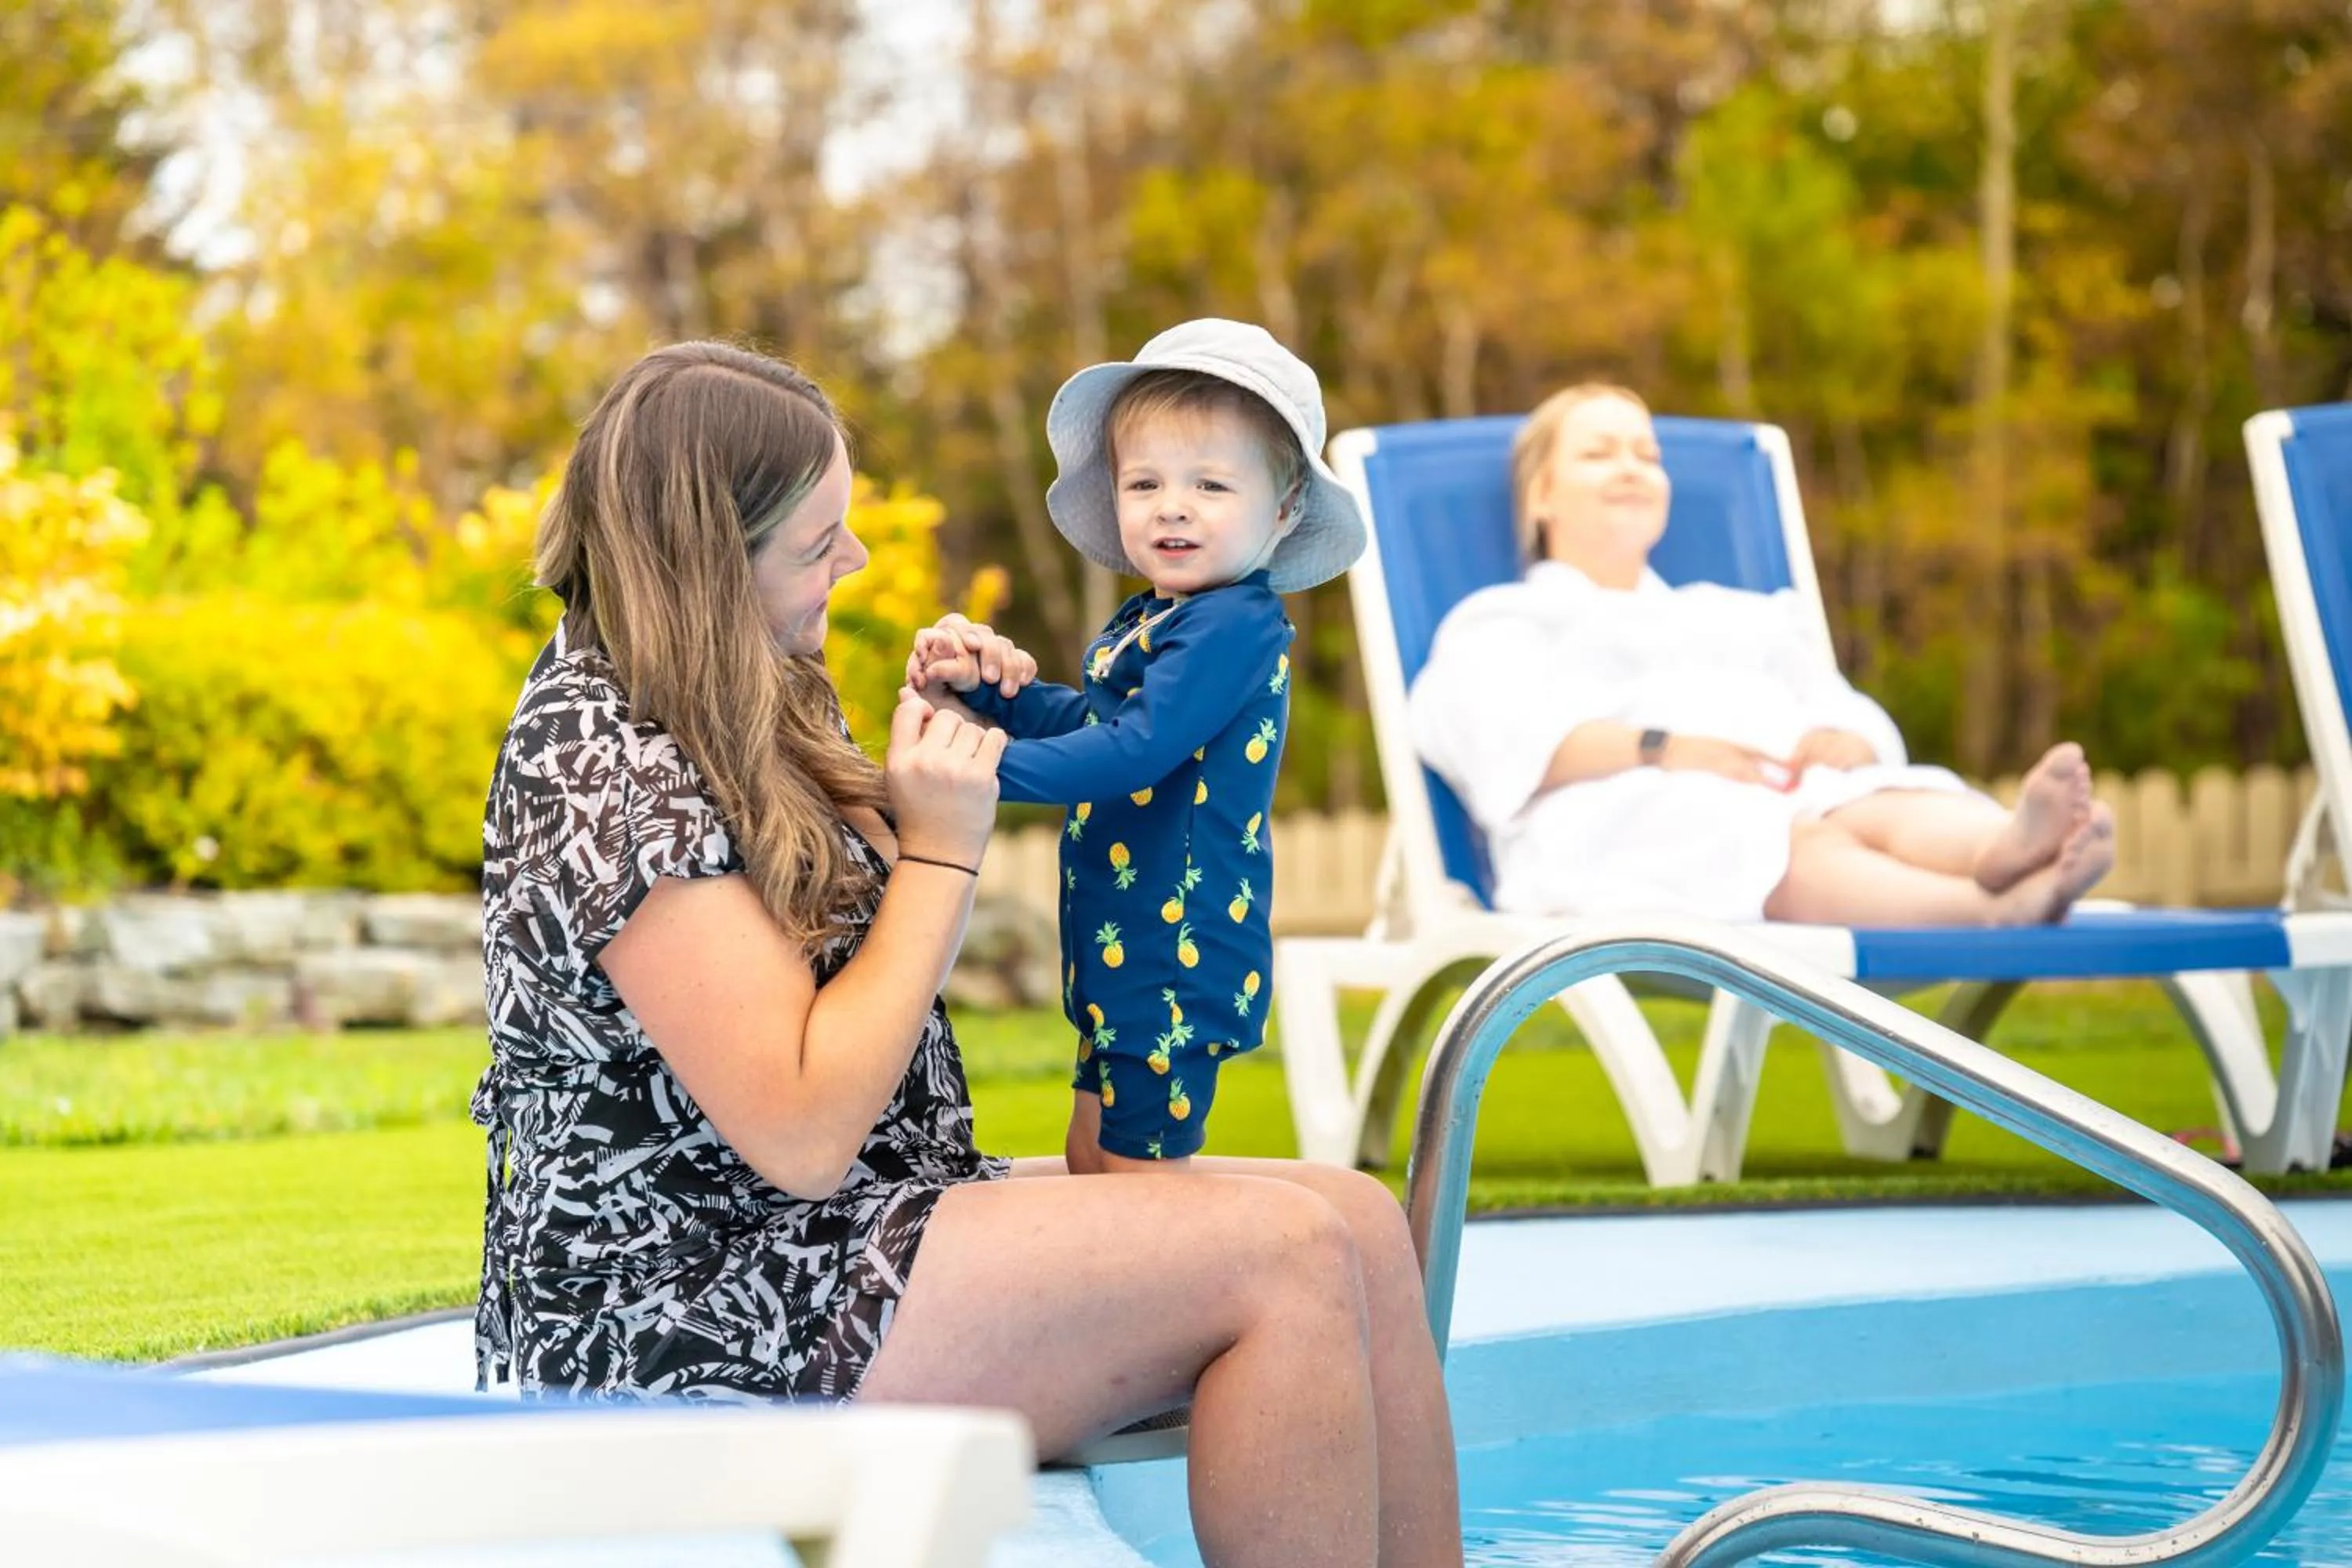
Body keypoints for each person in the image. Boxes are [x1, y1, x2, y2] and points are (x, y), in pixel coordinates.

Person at [471, 339, 1461, 1568]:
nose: (856, 558)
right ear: (709, 563)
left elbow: (872, 842)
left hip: (860, 1226)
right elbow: (797, 1131)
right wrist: (943, 851)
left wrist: (964, 708)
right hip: (693, 1313)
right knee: (1286, 1256)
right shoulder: (599, 761)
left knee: (1358, 1219)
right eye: (817, 541)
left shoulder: (750, 680)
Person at [906, 318, 1363, 1175]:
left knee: (1137, 1182)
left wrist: (976, 765)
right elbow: (1097, 722)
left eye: (1212, 484)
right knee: (1092, 1157)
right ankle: (1138, 1303)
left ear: (1286, 506)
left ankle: (1206, 1303)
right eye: (1144, 481)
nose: (1173, 504)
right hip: (1124, 944)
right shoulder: (1162, 615)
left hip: (1176, 948)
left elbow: (1133, 752)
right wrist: (990, 697)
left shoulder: (1236, 622)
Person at [1410, 383, 2115, 926]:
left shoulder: (1736, 615)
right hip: (1622, 825)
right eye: (1599, 454)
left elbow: (1850, 715)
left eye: (1647, 455)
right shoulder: (1502, 622)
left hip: (1791, 791)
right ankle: (1987, 912)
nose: (1630, 468)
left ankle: (2004, 848)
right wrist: (1666, 748)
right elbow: (1494, 746)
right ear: (1541, 495)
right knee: (1775, 836)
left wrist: (1845, 739)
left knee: (1882, 796)